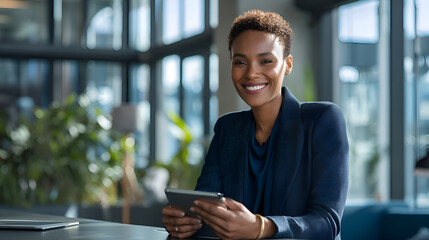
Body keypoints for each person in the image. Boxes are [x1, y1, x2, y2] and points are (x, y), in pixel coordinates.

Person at [162, 9, 348, 240]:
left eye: (266, 61)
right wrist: (187, 222)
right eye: (240, 61)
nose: (251, 73)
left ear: (287, 65)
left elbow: (327, 222)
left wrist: (261, 227)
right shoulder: (227, 129)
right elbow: (205, 208)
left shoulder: (322, 120)